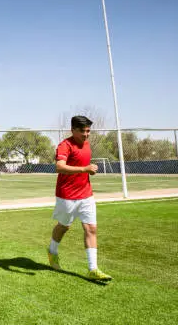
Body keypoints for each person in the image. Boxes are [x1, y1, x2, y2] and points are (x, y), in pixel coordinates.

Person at [47, 115, 113, 281]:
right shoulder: (65, 145)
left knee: (91, 229)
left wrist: (89, 170)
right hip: (67, 195)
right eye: (82, 131)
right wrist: (85, 169)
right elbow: (59, 167)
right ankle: (52, 251)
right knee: (63, 227)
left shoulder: (88, 144)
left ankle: (93, 269)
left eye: (88, 131)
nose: (86, 134)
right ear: (73, 130)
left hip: (86, 195)